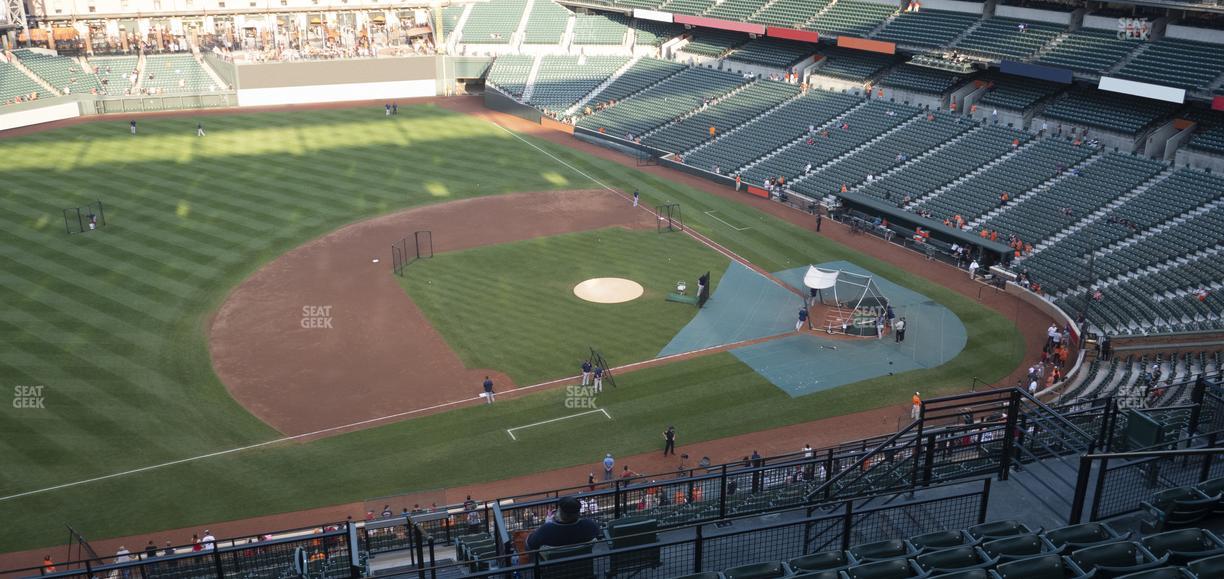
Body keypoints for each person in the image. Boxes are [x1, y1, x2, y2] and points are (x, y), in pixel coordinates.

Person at [525, 496, 600, 550]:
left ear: (560, 513)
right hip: (584, 566)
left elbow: (529, 545)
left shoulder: (546, 530)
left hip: (553, 569)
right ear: (578, 513)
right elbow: (598, 534)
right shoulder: (589, 525)